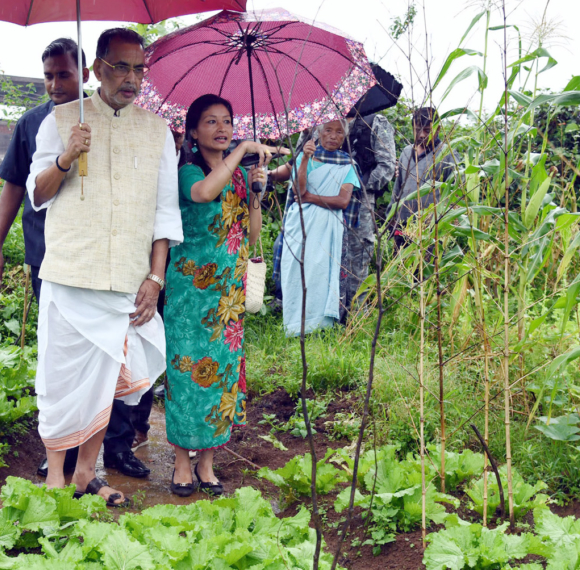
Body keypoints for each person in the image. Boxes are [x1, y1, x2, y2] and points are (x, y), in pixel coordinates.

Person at [26, 28, 182, 507]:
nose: (131, 78)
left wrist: (155, 278)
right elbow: (37, 192)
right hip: (71, 274)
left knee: (105, 380)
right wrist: (67, 155)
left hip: (127, 279)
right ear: (96, 69)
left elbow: (164, 213)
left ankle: (86, 475)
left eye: (139, 68)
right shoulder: (60, 120)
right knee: (61, 379)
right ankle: (56, 477)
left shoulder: (158, 132)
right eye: (120, 67)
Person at [0, 38, 92, 480]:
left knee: (99, 356)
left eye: (63, 74)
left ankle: (108, 451)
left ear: (84, 74)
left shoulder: (106, 119)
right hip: (46, 255)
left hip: (97, 257)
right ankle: (58, 452)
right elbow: (12, 186)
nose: (54, 83)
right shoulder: (32, 124)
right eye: (48, 75)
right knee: (58, 354)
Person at [164, 94, 277, 497]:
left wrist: (257, 194)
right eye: (210, 122)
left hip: (228, 294)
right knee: (186, 374)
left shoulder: (241, 177)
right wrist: (243, 149)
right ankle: (180, 461)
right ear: (193, 132)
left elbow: (251, 233)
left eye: (227, 121)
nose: (222, 129)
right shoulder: (186, 172)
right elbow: (202, 195)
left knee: (222, 377)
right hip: (190, 295)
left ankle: (207, 463)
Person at [280, 120, 361, 336]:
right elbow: (298, 188)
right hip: (301, 222)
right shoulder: (304, 157)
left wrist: (309, 198)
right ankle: (294, 325)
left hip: (329, 225)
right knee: (297, 269)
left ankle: (320, 326)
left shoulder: (348, 165)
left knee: (322, 270)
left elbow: (343, 201)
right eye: (328, 130)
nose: (333, 136)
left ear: (344, 137)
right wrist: (305, 158)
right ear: (319, 133)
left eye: (339, 132)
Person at [338, 110, 396, 321]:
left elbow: (387, 166)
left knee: (358, 257)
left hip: (360, 202)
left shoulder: (375, 121)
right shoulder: (331, 121)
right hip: (329, 201)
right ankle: (331, 315)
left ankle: (355, 318)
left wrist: (357, 186)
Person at [390, 107, 461, 246]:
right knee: (402, 266)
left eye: (427, 131)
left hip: (432, 229)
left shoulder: (446, 153)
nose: (422, 135)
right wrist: (392, 217)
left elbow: (457, 190)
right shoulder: (406, 152)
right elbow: (397, 189)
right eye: (417, 130)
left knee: (428, 265)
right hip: (403, 227)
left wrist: (451, 222)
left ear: (438, 129)